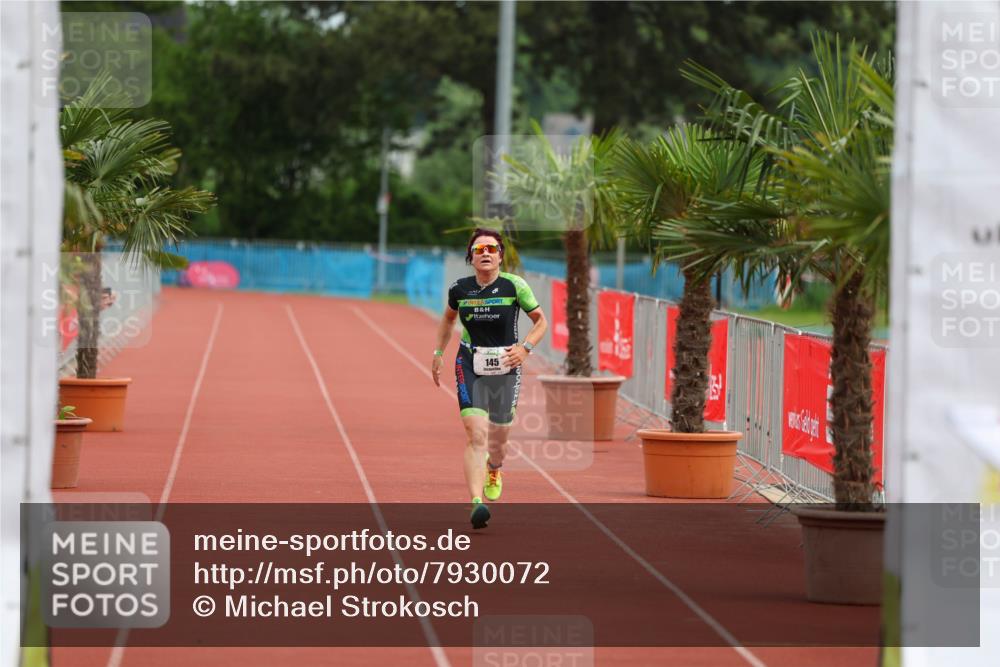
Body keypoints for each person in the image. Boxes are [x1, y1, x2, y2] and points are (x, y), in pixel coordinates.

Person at [431, 228, 547, 529]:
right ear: (471, 257)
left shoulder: (514, 286)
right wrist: (438, 352)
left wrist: (525, 349)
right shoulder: (460, 289)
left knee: (498, 438)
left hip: (507, 363)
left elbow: (541, 322)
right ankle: (475, 502)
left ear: (500, 256)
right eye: (479, 249)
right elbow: (447, 318)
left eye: (492, 249)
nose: (486, 253)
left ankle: (494, 468)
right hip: (470, 361)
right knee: (476, 433)